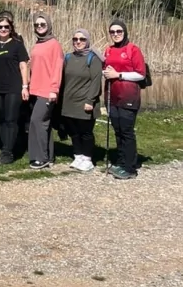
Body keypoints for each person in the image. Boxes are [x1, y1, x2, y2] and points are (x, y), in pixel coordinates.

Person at [102, 19, 147, 180]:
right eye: (112, 32)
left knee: (127, 132)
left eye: (118, 31)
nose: (115, 34)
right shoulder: (108, 50)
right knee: (118, 130)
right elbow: (106, 69)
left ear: (124, 32)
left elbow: (140, 73)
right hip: (112, 96)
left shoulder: (133, 49)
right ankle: (121, 161)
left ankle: (130, 168)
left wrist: (118, 75)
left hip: (128, 96)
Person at [0, 15, 30, 164]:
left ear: (11, 29)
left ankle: (8, 153)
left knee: (11, 119)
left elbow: (23, 66)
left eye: (6, 27)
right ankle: (7, 146)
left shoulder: (17, 45)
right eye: (0, 27)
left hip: (13, 88)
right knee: (2, 119)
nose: (3, 29)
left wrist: (25, 86)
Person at [60, 29, 102, 172]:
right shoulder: (68, 57)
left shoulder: (93, 58)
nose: (78, 42)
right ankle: (78, 156)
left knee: (86, 132)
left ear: (87, 41)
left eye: (82, 39)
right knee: (73, 131)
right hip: (69, 102)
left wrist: (90, 100)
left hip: (85, 101)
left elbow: (96, 81)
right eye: (75, 39)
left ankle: (88, 159)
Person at [27, 14, 64, 170]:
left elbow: (57, 67)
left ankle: (40, 158)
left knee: (37, 122)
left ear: (49, 25)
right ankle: (49, 156)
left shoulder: (54, 44)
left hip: (47, 90)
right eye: (37, 24)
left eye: (42, 23)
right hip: (36, 89)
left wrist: (54, 89)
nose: (39, 26)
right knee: (44, 124)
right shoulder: (38, 43)